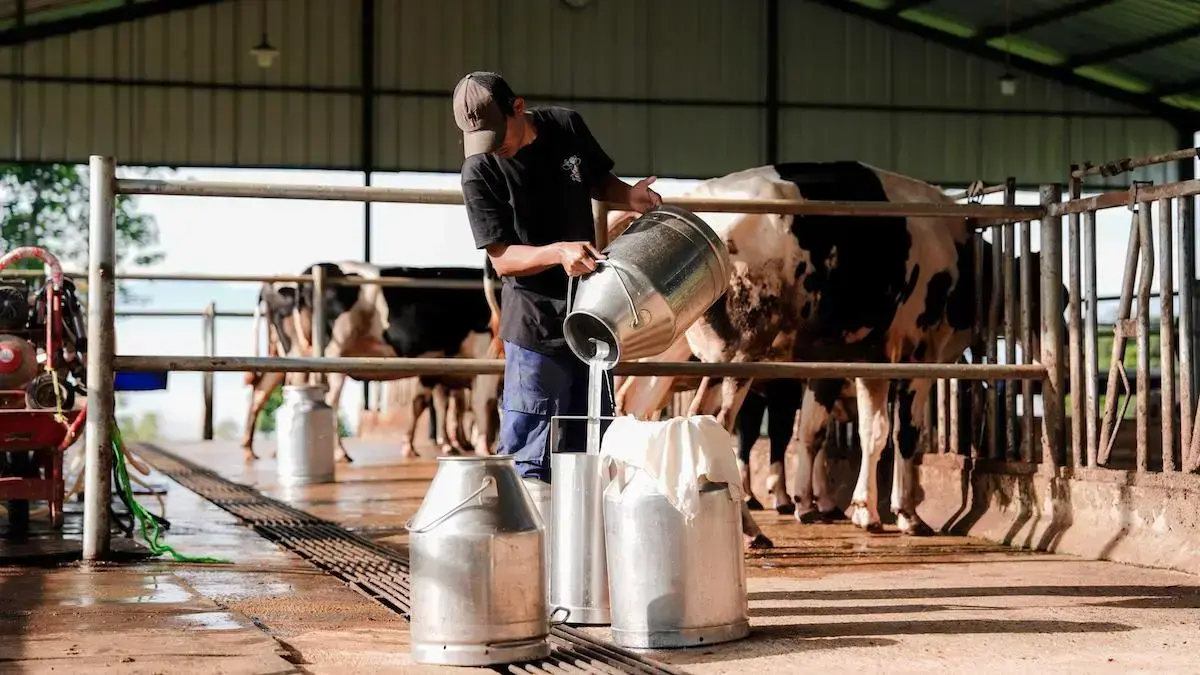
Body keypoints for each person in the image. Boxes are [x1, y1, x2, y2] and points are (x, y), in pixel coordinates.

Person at [453, 71, 662, 496]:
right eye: (481, 139)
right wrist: (557, 251)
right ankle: (530, 556)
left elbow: (597, 181)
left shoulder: (566, 126)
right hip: (535, 328)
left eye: (497, 134)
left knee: (594, 445)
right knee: (532, 456)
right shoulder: (479, 169)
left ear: (518, 107)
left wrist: (630, 197)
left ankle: (584, 557)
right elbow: (503, 259)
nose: (494, 147)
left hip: (591, 319)